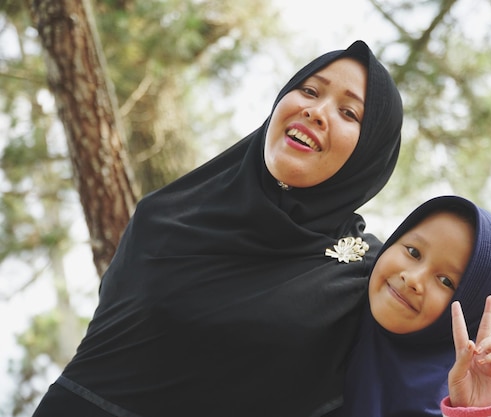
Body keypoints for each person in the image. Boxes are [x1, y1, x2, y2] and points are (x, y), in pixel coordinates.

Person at [32, 40, 403, 417]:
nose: (316, 111)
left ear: (371, 151)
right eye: (309, 90)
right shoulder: (164, 216)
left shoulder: (373, 275)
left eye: (349, 112)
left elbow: (411, 383)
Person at [332, 195, 491, 416]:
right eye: (413, 252)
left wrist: (474, 411)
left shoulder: (463, 402)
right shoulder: (327, 314)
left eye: (446, 281)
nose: (413, 279)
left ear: (473, 316)